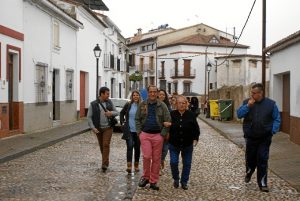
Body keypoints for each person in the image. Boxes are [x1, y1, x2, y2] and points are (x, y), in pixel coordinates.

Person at [237, 83, 281, 192]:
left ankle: (262, 183)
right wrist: (248, 106)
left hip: (265, 137)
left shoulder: (271, 104)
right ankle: (249, 171)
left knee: (262, 159)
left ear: (260, 93)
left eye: (254, 93)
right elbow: (239, 114)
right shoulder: (247, 102)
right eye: (251, 93)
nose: (251, 95)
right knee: (251, 159)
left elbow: (277, 118)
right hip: (251, 137)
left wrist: (273, 130)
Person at [135, 85, 171, 190]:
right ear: (148, 92)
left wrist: (162, 134)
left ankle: (153, 181)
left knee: (156, 159)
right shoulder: (142, 105)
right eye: (150, 92)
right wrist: (139, 132)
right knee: (146, 156)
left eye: (154, 92)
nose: (152, 94)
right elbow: (137, 119)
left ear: (157, 93)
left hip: (158, 136)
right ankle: (146, 177)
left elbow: (168, 120)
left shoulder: (162, 106)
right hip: (145, 134)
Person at [166, 95, 200, 190]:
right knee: (173, 162)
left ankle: (184, 181)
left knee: (187, 163)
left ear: (186, 104)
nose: (181, 105)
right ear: (176, 104)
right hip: (174, 144)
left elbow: (196, 129)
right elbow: (166, 126)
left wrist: (195, 138)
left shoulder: (191, 115)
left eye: (183, 103)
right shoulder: (171, 114)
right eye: (179, 103)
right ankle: (176, 178)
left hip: (187, 144)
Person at [87, 87, 119, 173]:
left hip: (108, 127)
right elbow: (89, 117)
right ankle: (105, 160)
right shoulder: (93, 104)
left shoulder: (109, 102)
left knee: (105, 144)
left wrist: (110, 113)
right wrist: (93, 128)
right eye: (107, 94)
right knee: (102, 146)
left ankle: (104, 164)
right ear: (101, 94)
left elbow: (117, 112)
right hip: (98, 128)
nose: (108, 95)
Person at [120, 90, 142, 174]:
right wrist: (122, 123)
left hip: (138, 131)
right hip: (129, 130)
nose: (135, 97)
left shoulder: (142, 106)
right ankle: (129, 166)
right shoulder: (128, 104)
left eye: (137, 95)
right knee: (129, 147)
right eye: (134, 95)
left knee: (137, 148)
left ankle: (136, 165)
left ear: (139, 96)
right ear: (132, 97)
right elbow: (122, 113)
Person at [158, 89, 172, 174]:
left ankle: (161, 161)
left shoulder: (168, 107)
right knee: (158, 150)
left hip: (166, 131)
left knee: (165, 149)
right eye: (160, 94)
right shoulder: (155, 105)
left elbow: (170, 120)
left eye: (163, 95)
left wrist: (168, 131)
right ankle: (158, 165)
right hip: (157, 131)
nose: (161, 96)